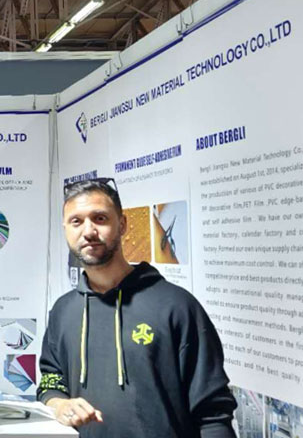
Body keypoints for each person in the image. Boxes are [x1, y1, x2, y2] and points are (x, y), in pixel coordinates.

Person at [38, 178, 236, 437]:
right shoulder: (63, 311)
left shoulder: (176, 307)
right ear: (65, 229)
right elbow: (50, 381)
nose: (88, 231)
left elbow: (213, 414)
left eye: (100, 218)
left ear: (122, 224)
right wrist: (59, 404)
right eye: (76, 221)